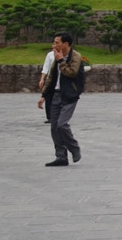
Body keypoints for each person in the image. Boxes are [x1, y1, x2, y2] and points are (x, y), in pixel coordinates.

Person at [37, 32, 86, 166]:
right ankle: (61, 156)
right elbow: (51, 78)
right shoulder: (55, 55)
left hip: (70, 95)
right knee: (54, 127)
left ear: (66, 44)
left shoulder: (75, 56)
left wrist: (60, 61)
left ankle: (74, 148)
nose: (54, 45)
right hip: (56, 95)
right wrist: (44, 95)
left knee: (62, 124)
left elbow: (71, 73)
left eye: (57, 42)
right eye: (54, 42)